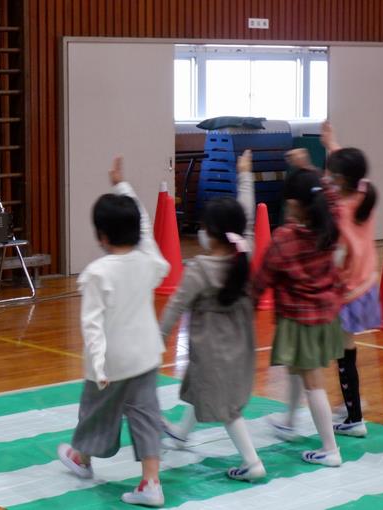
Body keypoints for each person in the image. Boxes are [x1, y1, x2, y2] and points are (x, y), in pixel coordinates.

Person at [57, 157, 170, 507]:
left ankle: (82, 458)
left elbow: (92, 325)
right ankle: (151, 481)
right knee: (146, 416)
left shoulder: (98, 273)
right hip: (146, 356)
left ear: (102, 236)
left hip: (111, 361)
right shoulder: (149, 262)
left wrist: (99, 367)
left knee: (95, 413)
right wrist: (123, 186)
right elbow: (147, 228)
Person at [160, 150, 265, 481]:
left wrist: (157, 339)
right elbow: (245, 216)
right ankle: (181, 432)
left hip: (213, 352)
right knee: (204, 390)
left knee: (226, 410)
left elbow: (175, 305)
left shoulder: (201, 269)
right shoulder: (243, 254)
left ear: (211, 232)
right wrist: (245, 174)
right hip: (239, 349)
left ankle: (252, 463)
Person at [252, 168, 344, 467]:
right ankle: (290, 421)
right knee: (300, 369)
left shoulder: (285, 238)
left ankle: (330, 449)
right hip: (326, 314)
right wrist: (318, 173)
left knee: (313, 382)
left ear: (292, 203)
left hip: (301, 320)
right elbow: (332, 197)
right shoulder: (330, 227)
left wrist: (245, 307)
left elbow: (260, 280)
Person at [322, 122, 380, 437]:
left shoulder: (341, 210)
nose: (328, 177)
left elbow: (339, 253)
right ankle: (350, 405)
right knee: (345, 349)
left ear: (341, 179)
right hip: (367, 284)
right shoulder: (365, 191)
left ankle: (354, 417)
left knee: (343, 352)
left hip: (347, 290)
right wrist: (332, 143)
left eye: (332, 174)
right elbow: (347, 171)